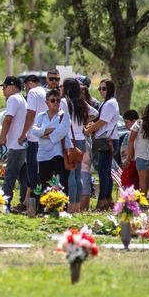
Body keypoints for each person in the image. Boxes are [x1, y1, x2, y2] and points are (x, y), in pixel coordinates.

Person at [61, 78, 95, 213]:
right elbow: (96, 113)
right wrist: (84, 121)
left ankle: (72, 205)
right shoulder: (81, 102)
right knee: (77, 175)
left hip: (69, 141)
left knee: (70, 174)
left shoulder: (64, 102)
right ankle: (78, 206)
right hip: (81, 140)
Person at [84, 79, 119, 211]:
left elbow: (102, 122)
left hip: (107, 140)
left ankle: (103, 200)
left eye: (104, 88)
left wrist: (88, 130)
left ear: (110, 89)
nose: (101, 91)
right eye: (100, 88)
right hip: (105, 138)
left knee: (103, 172)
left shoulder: (110, 103)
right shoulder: (107, 102)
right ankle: (107, 198)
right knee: (105, 171)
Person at [29, 89, 71, 195]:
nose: (56, 102)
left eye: (58, 100)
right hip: (43, 154)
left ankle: (62, 208)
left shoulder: (64, 116)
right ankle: (44, 208)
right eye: (53, 100)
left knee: (61, 183)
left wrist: (43, 135)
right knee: (44, 183)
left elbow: (60, 133)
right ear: (46, 102)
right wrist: (47, 130)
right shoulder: (41, 116)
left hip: (59, 154)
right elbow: (34, 131)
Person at [0, 76, 28, 210]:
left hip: (16, 145)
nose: (3, 90)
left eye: (4, 87)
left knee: (9, 177)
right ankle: (24, 203)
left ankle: (5, 205)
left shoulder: (13, 98)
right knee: (23, 178)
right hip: (22, 145)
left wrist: (2, 138)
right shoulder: (21, 98)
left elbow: (8, 119)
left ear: (12, 86)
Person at [126, 103, 149, 202]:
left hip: (142, 156)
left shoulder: (139, 123)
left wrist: (129, 155)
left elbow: (131, 139)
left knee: (143, 182)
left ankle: (143, 204)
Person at [21, 74, 48, 206]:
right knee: (43, 173)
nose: (26, 90)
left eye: (25, 87)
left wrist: (23, 133)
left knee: (33, 173)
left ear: (30, 83)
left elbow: (30, 114)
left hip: (33, 138)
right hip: (46, 138)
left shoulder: (33, 92)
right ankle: (42, 201)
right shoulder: (46, 92)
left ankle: (35, 202)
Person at [119, 109, 140, 190]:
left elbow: (133, 147)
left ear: (134, 121)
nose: (125, 125)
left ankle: (130, 201)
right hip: (127, 162)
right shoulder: (129, 133)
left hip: (131, 162)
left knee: (128, 183)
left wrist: (127, 160)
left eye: (127, 122)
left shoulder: (134, 133)